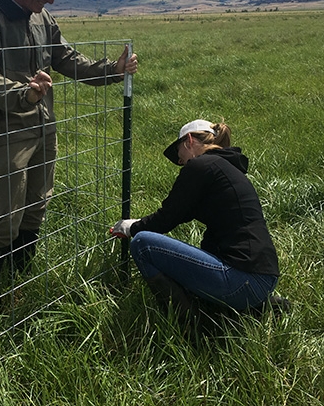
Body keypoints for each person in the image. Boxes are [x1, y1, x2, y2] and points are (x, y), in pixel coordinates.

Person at [0, 0, 138, 302]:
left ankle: (20, 278)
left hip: (45, 128)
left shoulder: (41, 18)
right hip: (9, 131)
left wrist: (112, 71)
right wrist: (22, 95)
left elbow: (67, 59)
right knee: (7, 213)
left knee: (37, 204)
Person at [111, 119, 282, 326]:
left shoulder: (201, 165)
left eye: (178, 154)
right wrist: (141, 222)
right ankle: (252, 307)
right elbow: (178, 214)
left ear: (189, 141)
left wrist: (132, 228)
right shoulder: (224, 168)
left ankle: (192, 325)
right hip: (262, 279)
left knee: (143, 244)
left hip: (242, 280)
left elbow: (166, 218)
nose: (181, 162)